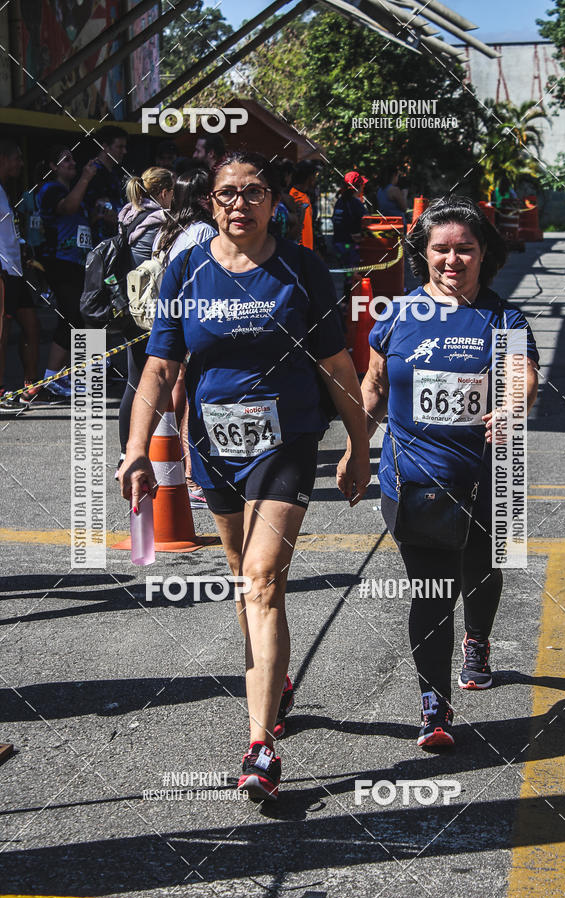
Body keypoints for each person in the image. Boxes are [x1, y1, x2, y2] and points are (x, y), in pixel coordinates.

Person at [120, 150, 370, 800]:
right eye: (228, 193)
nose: (240, 203)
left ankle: (260, 746)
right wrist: (136, 448)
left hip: (286, 443)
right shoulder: (187, 268)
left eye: (253, 191)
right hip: (214, 449)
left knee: (260, 580)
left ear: (271, 201)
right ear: (211, 203)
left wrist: (360, 443)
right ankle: (274, 675)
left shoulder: (300, 269)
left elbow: (338, 368)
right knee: (248, 582)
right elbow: (159, 367)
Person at [338, 196, 539, 750]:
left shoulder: (504, 317)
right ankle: (434, 706)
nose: (453, 261)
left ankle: (478, 638)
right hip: (417, 479)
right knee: (431, 586)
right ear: (423, 254)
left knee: (480, 567)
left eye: (465, 250)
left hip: (490, 474)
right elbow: (373, 387)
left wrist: (513, 405)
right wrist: (356, 448)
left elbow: (523, 374)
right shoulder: (397, 315)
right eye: (441, 250)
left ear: (483, 256)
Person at [153, 165, 217, 509]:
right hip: (192, 323)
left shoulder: (171, 231)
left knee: (178, 398)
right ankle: (193, 477)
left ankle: (183, 471)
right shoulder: (204, 232)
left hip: (170, 323)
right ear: (203, 197)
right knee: (191, 399)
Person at [20, 146, 98, 405]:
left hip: (78, 262)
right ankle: (51, 378)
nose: (72, 162)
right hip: (59, 261)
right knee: (72, 313)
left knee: (79, 314)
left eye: (74, 158)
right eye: (65, 159)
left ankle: (65, 375)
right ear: (53, 167)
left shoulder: (68, 189)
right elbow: (68, 208)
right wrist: (86, 178)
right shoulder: (52, 190)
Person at [115, 167, 174, 473]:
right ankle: (145, 450)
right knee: (156, 381)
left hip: (129, 307)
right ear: (164, 192)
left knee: (134, 381)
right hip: (152, 313)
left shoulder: (127, 216)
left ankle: (127, 451)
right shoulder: (159, 224)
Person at [0, 139, 40, 406]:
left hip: (16, 270)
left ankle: (30, 386)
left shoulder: (4, 190)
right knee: (1, 332)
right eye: (16, 158)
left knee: (32, 327)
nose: (21, 163)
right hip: (2, 271)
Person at [84, 124, 128, 244]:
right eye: (120, 147)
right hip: (99, 243)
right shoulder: (94, 173)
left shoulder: (114, 173)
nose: (124, 151)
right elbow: (101, 211)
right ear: (105, 147)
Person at [332, 171, 368, 268]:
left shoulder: (340, 201)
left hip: (338, 245)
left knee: (348, 277)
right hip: (350, 246)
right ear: (358, 187)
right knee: (354, 277)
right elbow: (367, 223)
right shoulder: (355, 203)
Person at [290, 160, 318, 250]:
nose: (315, 179)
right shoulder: (295, 198)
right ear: (309, 177)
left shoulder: (302, 195)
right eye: (315, 175)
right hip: (301, 253)